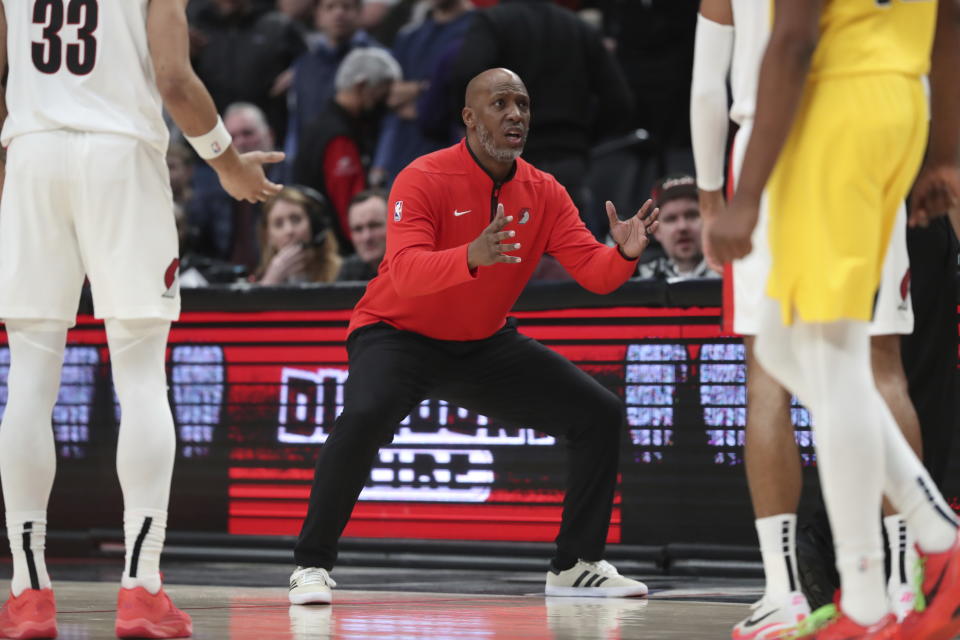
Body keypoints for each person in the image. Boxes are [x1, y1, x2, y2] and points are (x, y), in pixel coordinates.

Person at [287, 68, 659, 605]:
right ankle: (311, 565)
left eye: (523, 105)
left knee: (598, 413)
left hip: (482, 344)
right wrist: (470, 256)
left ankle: (576, 565)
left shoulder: (544, 191)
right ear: (469, 116)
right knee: (365, 417)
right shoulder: (422, 177)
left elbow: (595, 275)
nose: (515, 115)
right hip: (397, 333)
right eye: (501, 103)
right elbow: (406, 271)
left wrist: (623, 251)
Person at [0, 0, 283, 637]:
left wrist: (10, 165)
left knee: (28, 382)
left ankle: (27, 593)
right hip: (119, 158)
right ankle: (141, 586)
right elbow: (175, 79)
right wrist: (228, 163)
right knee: (141, 377)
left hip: (33, 155)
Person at [710, 1, 960, 638]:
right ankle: (934, 531)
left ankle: (869, 602)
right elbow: (951, 23)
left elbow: (793, 40)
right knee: (785, 347)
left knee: (833, 357)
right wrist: (944, 152)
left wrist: (746, 197)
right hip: (899, 104)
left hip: (833, 113)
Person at [449, 0, 634, 239]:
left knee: (508, 256)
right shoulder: (578, 28)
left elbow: (466, 77)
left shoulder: (493, 22)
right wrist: (583, 138)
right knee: (575, 255)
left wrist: (479, 128)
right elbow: (620, 102)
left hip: (507, 162)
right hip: (569, 160)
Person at [294, 48, 401, 249]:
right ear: (361, 87)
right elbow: (352, 212)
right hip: (340, 254)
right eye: (382, 92)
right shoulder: (339, 138)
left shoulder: (319, 126)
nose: (385, 102)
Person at [370, 0, 475, 187]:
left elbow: (462, 95)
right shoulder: (410, 36)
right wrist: (381, 162)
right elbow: (390, 94)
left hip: (450, 157)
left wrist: (424, 98)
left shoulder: (477, 30)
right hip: (404, 156)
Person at [188, 0, 305, 144]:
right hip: (211, 139)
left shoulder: (277, 25)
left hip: (272, 136)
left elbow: (313, 63)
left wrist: (298, 72)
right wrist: (183, 55)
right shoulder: (195, 28)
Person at [285, 0, 384, 172]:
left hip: (358, 163)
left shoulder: (378, 60)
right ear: (318, 14)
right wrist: (291, 160)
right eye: (330, 7)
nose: (339, 13)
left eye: (346, 7)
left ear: (360, 12)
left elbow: (388, 121)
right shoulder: (304, 63)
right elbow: (296, 118)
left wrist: (381, 164)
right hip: (311, 161)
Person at [188, 102, 283, 274]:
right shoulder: (211, 187)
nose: (241, 142)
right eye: (232, 137)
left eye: (248, 133)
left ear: (270, 135)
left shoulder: (291, 177)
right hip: (226, 284)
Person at [636, 175, 719, 280]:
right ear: (656, 230)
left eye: (692, 215)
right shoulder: (641, 279)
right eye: (671, 219)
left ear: (709, 221)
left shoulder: (735, 274)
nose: (682, 227)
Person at [254, 186, 343, 285]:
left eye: (296, 219)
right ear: (269, 236)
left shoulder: (343, 272)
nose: (289, 230)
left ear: (314, 226)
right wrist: (271, 280)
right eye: (279, 224)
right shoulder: (258, 280)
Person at [337, 190, 389, 281]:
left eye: (374, 225)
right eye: (358, 229)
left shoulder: (412, 268)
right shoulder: (349, 271)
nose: (366, 237)